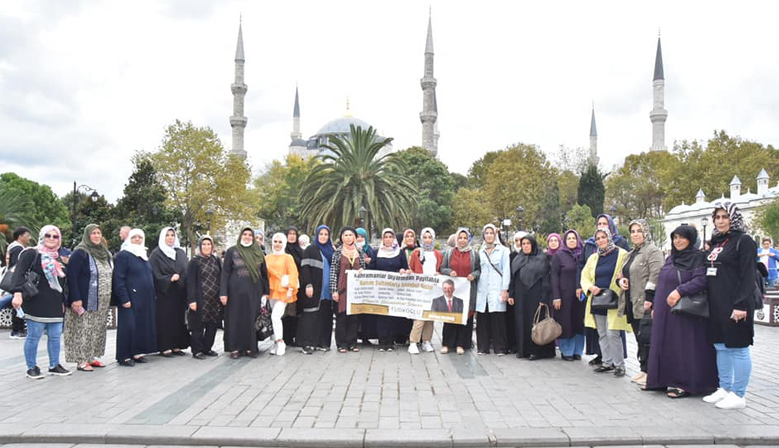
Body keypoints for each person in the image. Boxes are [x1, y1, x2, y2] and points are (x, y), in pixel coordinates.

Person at [645, 225, 717, 398]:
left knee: (682, 346)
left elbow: (701, 280)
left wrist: (680, 291)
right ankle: (662, 380)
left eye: (682, 237)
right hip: (664, 309)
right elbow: (662, 281)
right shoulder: (671, 257)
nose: (678, 241)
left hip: (684, 309)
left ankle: (683, 383)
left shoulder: (698, 257)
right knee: (665, 344)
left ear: (691, 239)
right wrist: (656, 304)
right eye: (675, 237)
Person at [702, 202, 757, 409]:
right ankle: (724, 388)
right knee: (721, 347)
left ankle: (739, 394)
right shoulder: (717, 242)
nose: (721, 221)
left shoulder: (744, 241)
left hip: (737, 304)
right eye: (717, 217)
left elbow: (748, 275)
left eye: (725, 217)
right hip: (717, 304)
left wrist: (741, 304)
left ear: (733, 218)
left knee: (739, 348)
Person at [10, 225, 71, 378]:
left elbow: (63, 281)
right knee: (34, 335)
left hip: (55, 302)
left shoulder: (58, 256)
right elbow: (19, 273)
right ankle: (31, 367)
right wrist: (17, 293)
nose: (51, 239)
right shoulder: (32, 253)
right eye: (48, 235)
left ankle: (54, 365)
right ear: (42, 236)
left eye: (55, 236)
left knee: (56, 335)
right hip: (36, 301)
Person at [617, 219, 664, 385]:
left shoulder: (653, 251)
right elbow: (621, 274)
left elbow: (656, 276)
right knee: (640, 337)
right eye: (633, 231)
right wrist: (620, 282)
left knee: (647, 338)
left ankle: (652, 371)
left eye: (639, 231)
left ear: (645, 232)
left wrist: (649, 299)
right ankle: (644, 368)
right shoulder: (631, 253)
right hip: (631, 301)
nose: (635, 234)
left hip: (645, 302)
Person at [578, 214, 629, 365]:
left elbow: (625, 272)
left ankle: (619, 364)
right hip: (598, 299)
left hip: (614, 298)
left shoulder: (621, 254)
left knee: (613, 333)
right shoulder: (594, 257)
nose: (600, 240)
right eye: (598, 238)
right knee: (602, 333)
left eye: (603, 237)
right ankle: (606, 362)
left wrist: (622, 281)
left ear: (609, 237)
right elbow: (584, 275)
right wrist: (590, 287)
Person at [65, 224, 114, 372]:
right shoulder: (81, 252)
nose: (97, 236)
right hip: (85, 299)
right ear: (87, 235)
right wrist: (76, 298)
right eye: (93, 233)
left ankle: (91, 356)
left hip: (102, 300)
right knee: (83, 328)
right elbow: (72, 276)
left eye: (99, 233)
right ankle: (81, 360)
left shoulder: (104, 253)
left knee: (96, 328)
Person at [220, 227, 269, 359]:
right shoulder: (232, 251)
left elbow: (264, 273)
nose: (247, 237)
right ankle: (235, 348)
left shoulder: (258, 252)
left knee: (251, 318)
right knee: (235, 319)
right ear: (241, 235)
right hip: (235, 292)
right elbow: (225, 273)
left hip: (254, 292)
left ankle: (250, 347)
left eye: (250, 235)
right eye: (245, 234)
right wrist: (223, 293)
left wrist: (266, 292)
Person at [113, 229, 157, 367]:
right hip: (130, 298)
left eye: (140, 237)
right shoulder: (123, 255)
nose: (137, 239)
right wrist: (124, 298)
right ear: (129, 239)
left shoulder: (143, 255)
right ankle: (124, 356)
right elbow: (118, 279)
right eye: (134, 237)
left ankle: (137, 352)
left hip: (144, 299)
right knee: (128, 327)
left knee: (140, 326)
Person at [508, 234, 555, 360]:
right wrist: (511, 294)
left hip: (536, 295)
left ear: (533, 244)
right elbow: (513, 277)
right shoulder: (517, 259)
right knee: (521, 321)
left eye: (528, 243)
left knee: (535, 322)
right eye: (523, 244)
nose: (526, 246)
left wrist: (544, 298)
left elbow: (545, 279)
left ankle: (537, 351)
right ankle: (523, 350)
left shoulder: (542, 258)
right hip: (520, 295)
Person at [149, 227, 190, 356]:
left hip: (179, 293)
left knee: (178, 320)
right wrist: (169, 279)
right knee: (165, 320)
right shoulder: (156, 254)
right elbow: (154, 274)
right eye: (167, 235)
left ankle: (177, 345)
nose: (170, 237)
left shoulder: (180, 252)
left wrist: (181, 279)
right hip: (164, 294)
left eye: (172, 235)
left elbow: (185, 269)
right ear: (163, 237)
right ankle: (165, 347)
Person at [368, 228, 410, 352]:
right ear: (382, 239)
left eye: (390, 237)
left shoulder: (400, 253)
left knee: (392, 315)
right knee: (381, 315)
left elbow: (405, 267)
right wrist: (362, 272)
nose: (388, 239)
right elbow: (371, 268)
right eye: (385, 237)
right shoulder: (376, 252)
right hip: (381, 290)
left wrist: (403, 271)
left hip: (395, 290)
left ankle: (390, 341)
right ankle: (382, 341)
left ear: (394, 239)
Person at [440, 227, 480, 355]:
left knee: (466, 317)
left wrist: (473, 275)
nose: (462, 240)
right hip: (453, 290)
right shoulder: (450, 253)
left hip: (468, 290)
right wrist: (449, 272)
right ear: (456, 239)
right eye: (460, 238)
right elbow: (442, 268)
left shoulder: (474, 254)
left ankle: (461, 344)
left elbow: (479, 270)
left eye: (465, 238)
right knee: (450, 315)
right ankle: (447, 344)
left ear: (468, 239)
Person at [299, 225, 335, 353]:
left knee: (325, 316)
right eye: (321, 234)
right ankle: (307, 344)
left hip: (328, 291)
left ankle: (322, 343)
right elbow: (305, 268)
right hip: (314, 289)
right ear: (317, 235)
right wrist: (308, 284)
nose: (323, 237)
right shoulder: (311, 249)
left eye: (326, 234)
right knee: (311, 316)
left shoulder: (332, 250)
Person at [475, 223, 510, 356]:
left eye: (491, 233)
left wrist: (505, 289)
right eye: (487, 233)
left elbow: (506, 271)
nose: (489, 236)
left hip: (497, 288)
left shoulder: (503, 251)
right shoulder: (481, 251)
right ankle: (483, 347)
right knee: (483, 319)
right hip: (483, 288)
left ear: (495, 235)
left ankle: (500, 347)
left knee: (498, 319)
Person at [551, 230, 586, 361]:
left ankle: (578, 351)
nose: (571, 240)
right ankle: (566, 351)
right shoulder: (559, 255)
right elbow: (554, 276)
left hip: (580, 296)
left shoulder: (582, 254)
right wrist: (556, 296)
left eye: (574, 238)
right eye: (569, 238)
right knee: (566, 322)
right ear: (565, 241)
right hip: (564, 296)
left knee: (579, 323)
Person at [186, 235, 223, 359]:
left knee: (212, 325)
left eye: (208, 244)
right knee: (198, 326)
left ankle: (207, 348)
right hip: (201, 298)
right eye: (204, 244)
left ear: (212, 246)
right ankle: (197, 350)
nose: (206, 247)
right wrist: (192, 300)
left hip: (214, 299)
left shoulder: (216, 260)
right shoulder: (194, 261)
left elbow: (221, 277)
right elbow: (190, 282)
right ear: (200, 246)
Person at [330, 227, 366, 353]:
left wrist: (362, 271)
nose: (348, 237)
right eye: (345, 235)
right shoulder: (338, 253)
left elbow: (363, 269)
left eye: (351, 235)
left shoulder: (359, 253)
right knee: (341, 316)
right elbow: (333, 272)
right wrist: (334, 290)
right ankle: (341, 343)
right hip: (341, 289)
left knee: (353, 317)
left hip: (355, 290)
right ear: (341, 237)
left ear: (355, 237)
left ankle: (352, 342)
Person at [407, 227, 442, 354]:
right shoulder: (417, 252)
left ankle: (427, 341)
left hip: (433, 290)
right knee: (419, 317)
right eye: (425, 237)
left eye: (430, 237)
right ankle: (413, 342)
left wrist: (439, 274)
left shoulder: (438, 254)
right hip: (419, 289)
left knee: (430, 317)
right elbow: (411, 267)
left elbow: (440, 269)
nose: (427, 240)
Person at [265, 233, 299, 356]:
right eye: (275, 241)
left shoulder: (287, 257)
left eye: (280, 242)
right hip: (271, 290)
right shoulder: (267, 258)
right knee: (273, 317)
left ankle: (280, 341)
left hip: (283, 290)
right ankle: (275, 341)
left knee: (275, 316)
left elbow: (293, 273)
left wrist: (291, 288)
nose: (277, 244)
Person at [2, 226, 31, 339]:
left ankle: (18, 329)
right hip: (17, 281)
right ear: (20, 236)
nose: (29, 238)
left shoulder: (12, 246)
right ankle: (17, 330)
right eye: (27, 235)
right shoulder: (18, 249)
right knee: (18, 304)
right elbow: (17, 267)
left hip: (13, 280)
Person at [283, 226, 303, 347]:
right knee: (284, 312)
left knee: (295, 312)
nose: (291, 236)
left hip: (297, 286)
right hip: (283, 286)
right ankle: (285, 337)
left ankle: (294, 336)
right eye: (289, 233)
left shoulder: (300, 251)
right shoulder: (282, 250)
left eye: (294, 234)